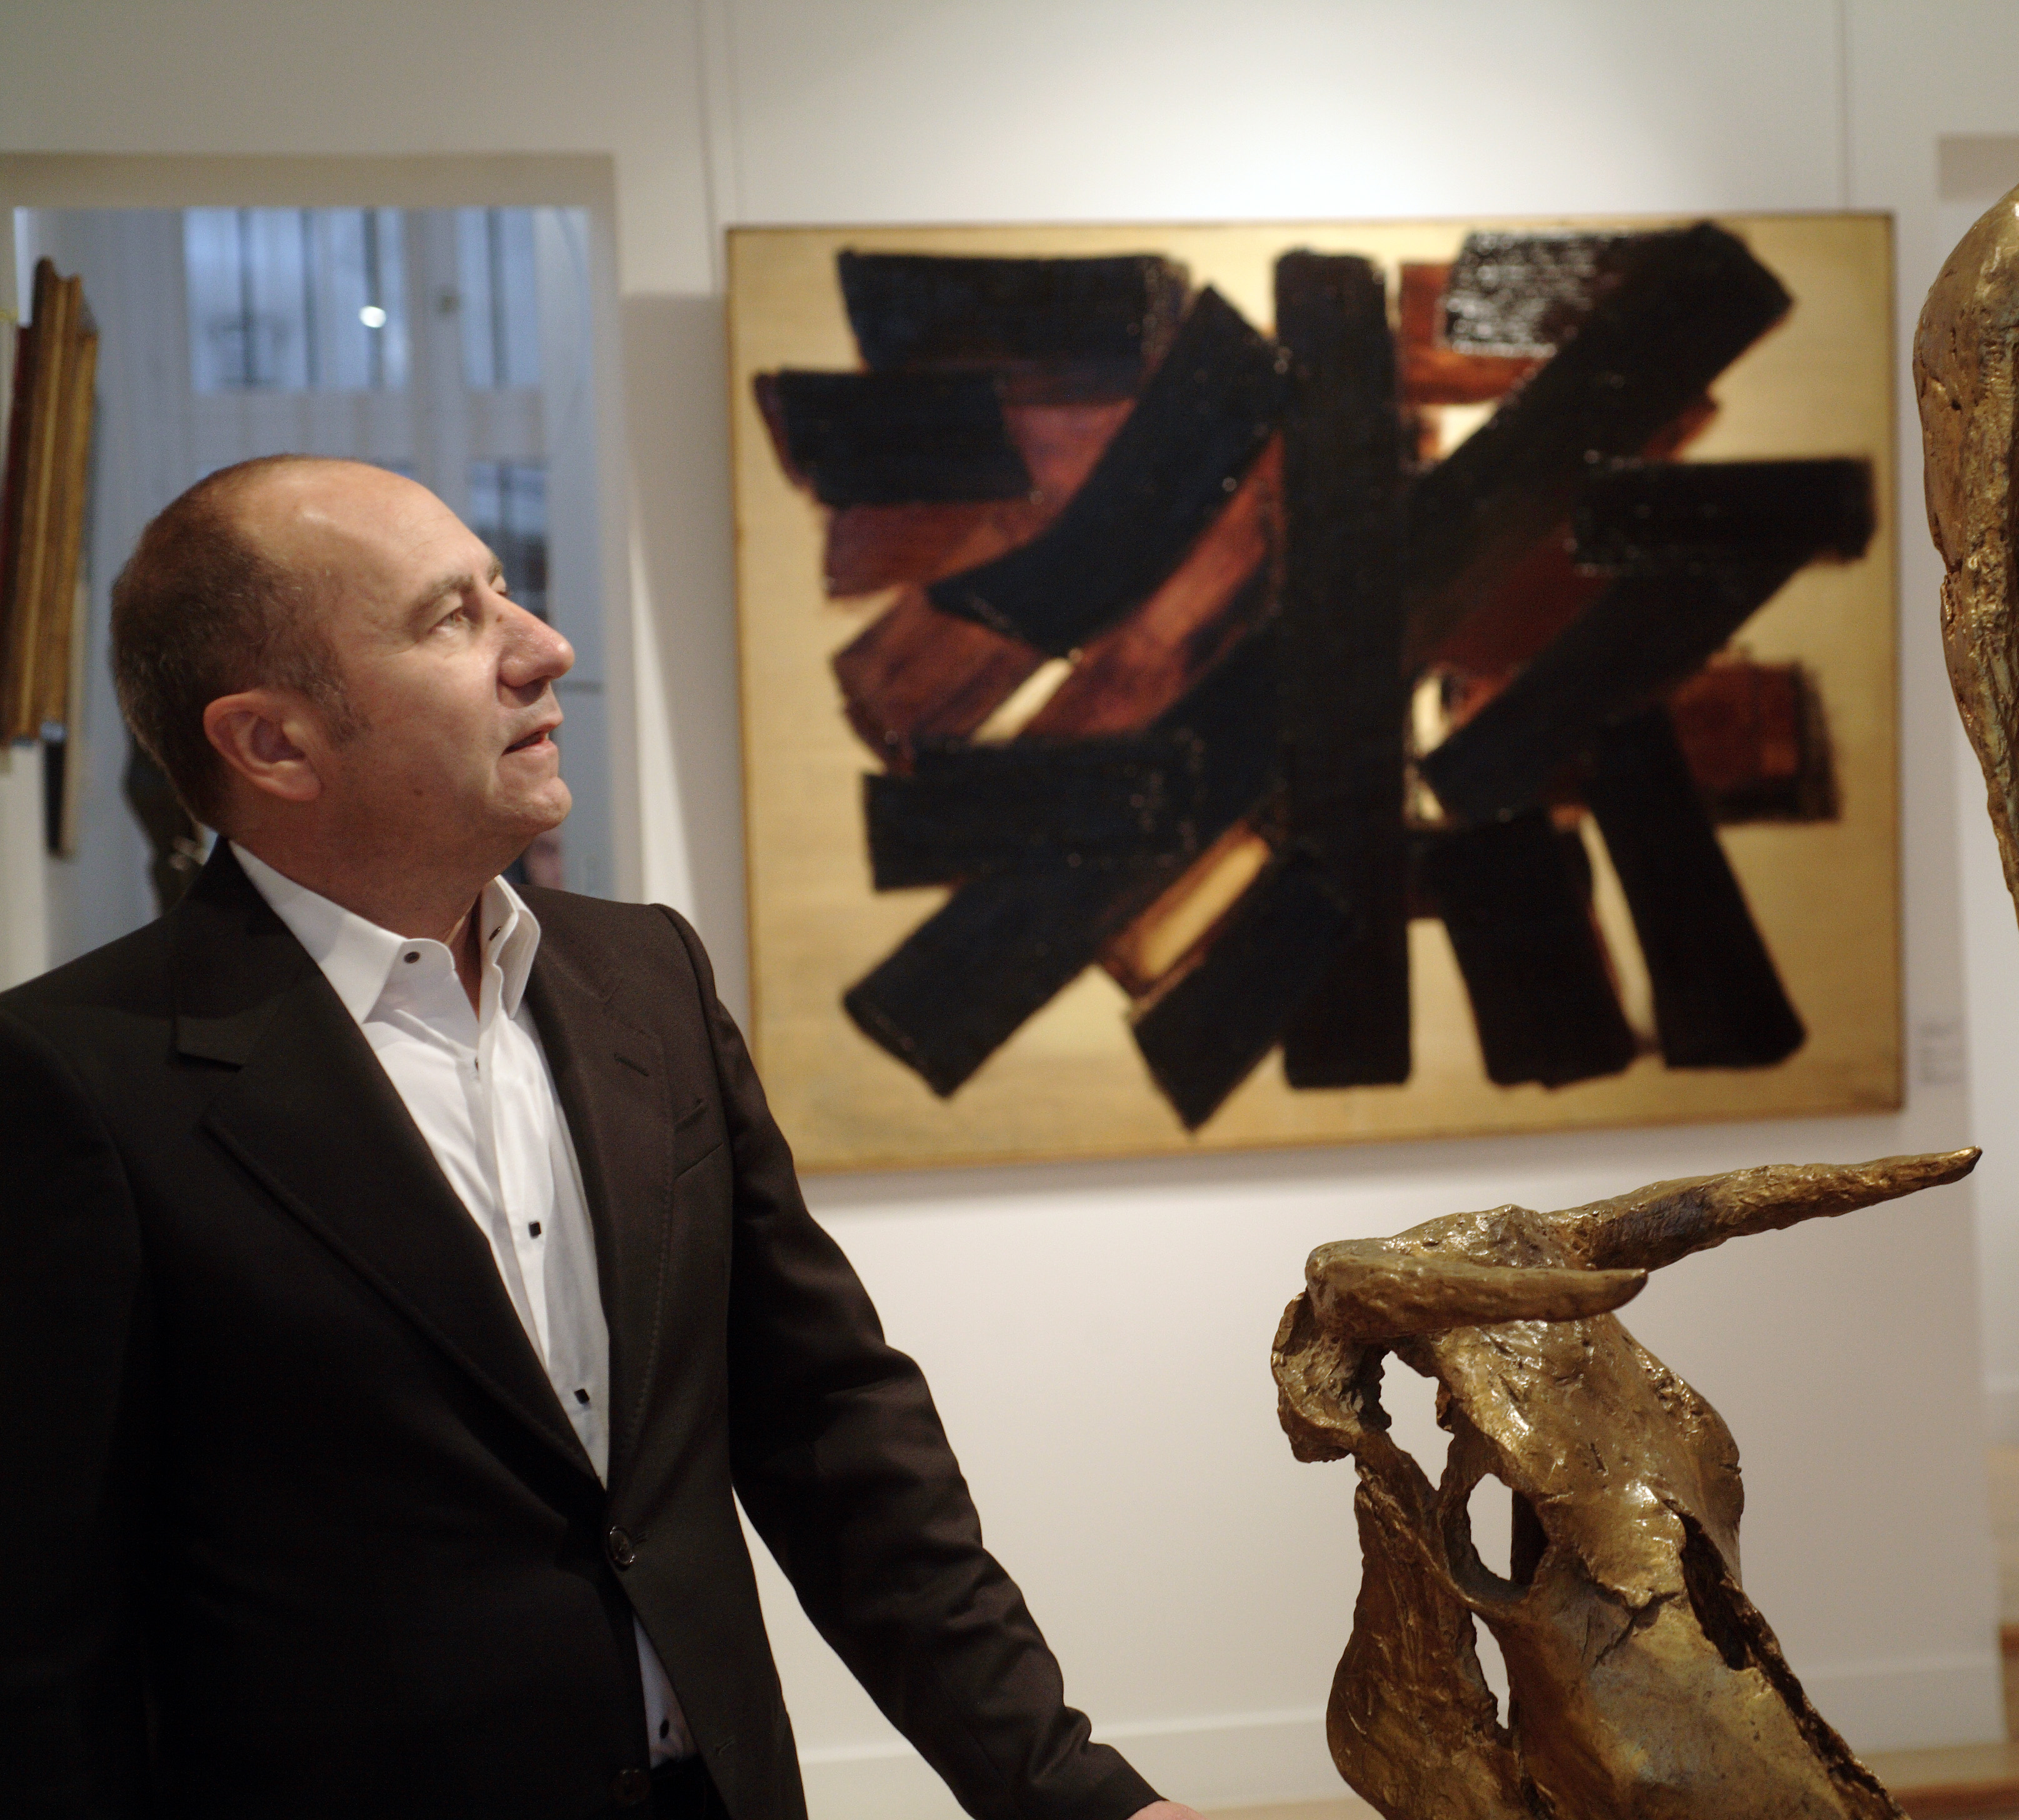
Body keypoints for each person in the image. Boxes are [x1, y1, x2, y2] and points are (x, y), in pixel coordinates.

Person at [0, 455, 1210, 1820]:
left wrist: (1072, 1796)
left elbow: (834, 1437)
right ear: (273, 744)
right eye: (451, 618)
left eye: (502, 589)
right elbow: (39, 1638)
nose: (544, 647)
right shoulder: (73, 1081)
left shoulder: (646, 977)